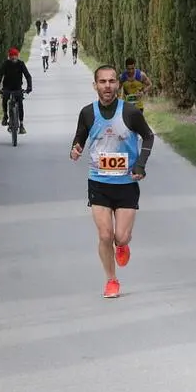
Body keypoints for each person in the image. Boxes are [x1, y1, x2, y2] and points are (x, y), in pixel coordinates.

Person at [70, 65, 156, 299]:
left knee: (121, 236)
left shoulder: (130, 113)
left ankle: (123, 244)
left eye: (111, 82)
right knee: (105, 235)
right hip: (98, 182)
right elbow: (80, 137)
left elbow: (148, 136)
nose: (107, 86)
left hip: (127, 183)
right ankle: (111, 280)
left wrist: (140, 163)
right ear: (95, 85)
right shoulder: (87, 113)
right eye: (102, 82)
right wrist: (76, 148)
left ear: (117, 84)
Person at [0, 47, 33, 134]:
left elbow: (27, 76)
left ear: (17, 56)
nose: (14, 58)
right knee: (4, 99)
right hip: (7, 88)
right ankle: (5, 115)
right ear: (9, 56)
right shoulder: (6, 64)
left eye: (15, 56)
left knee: (20, 105)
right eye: (12, 56)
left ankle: (21, 125)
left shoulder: (21, 64)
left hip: (17, 88)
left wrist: (29, 87)